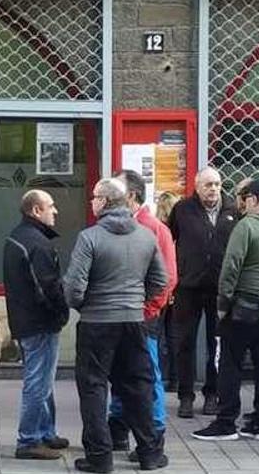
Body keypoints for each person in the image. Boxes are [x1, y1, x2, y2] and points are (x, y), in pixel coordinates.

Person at [65, 178, 168, 473]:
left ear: (106, 201)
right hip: (134, 321)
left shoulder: (90, 237)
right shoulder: (146, 236)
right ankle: (149, 453)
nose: (91, 201)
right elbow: (160, 281)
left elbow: (73, 287)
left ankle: (100, 457)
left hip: (97, 323)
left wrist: (86, 305)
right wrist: (137, 300)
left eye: (95, 197)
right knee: (137, 387)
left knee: (94, 389)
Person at [192, 178, 259, 444]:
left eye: (242, 197)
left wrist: (223, 304)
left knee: (230, 363)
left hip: (242, 307)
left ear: (252, 200)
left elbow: (231, 269)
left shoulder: (247, 226)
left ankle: (226, 422)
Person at [108, 170, 177, 451]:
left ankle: (153, 432)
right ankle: (119, 426)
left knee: (147, 374)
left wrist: (148, 309)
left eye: (116, 193)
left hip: (142, 317)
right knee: (120, 372)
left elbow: (168, 278)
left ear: (132, 196)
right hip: (121, 314)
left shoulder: (154, 229)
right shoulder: (117, 226)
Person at [3, 190, 70, 460]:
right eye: (50, 206)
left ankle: (45, 431)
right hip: (38, 322)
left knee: (44, 380)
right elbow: (48, 287)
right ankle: (29, 439)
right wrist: (61, 312)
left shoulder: (18, 237)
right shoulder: (37, 243)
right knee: (38, 382)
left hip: (26, 319)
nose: (55, 211)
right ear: (35, 211)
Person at [168, 167, 236, 417]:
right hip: (189, 287)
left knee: (215, 343)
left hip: (220, 288)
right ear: (196, 187)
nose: (213, 189)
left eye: (217, 184)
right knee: (184, 341)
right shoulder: (183, 209)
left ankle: (212, 394)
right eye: (208, 184)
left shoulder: (232, 210)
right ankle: (186, 396)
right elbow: (170, 240)